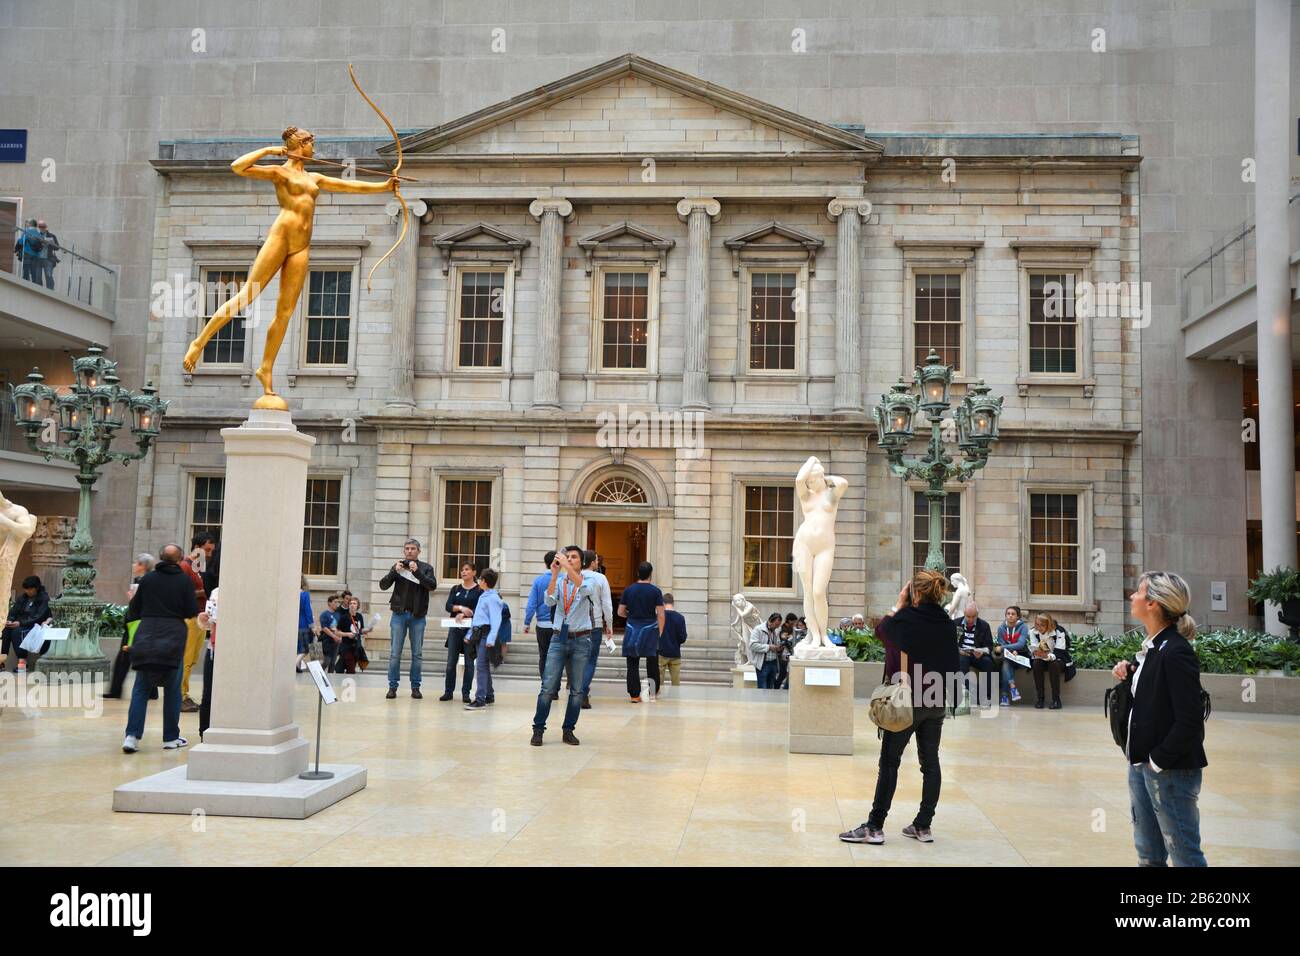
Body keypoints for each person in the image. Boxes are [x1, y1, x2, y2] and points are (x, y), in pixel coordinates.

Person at [840, 570, 958, 846]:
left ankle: (875, 827)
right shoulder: (946, 622)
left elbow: (881, 630)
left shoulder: (907, 618)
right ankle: (923, 826)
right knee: (931, 763)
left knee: (890, 763)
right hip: (935, 701)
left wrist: (899, 602)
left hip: (906, 703)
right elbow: (953, 665)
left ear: (915, 592)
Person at [1111, 572, 1208, 867]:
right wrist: (1128, 676)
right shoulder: (1153, 648)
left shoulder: (1176, 651)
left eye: (1138, 592)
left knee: (1185, 856)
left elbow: (1190, 719)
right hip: (1142, 764)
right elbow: (1150, 703)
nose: (1132, 596)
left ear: (1152, 603)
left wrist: (1158, 761)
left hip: (1169, 771)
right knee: (1149, 856)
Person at [122, 544, 198, 753]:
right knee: (173, 689)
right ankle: (170, 737)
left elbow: (134, 609)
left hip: (146, 635)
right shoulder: (184, 581)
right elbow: (191, 610)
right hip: (173, 636)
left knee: (141, 688)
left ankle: (132, 736)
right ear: (180, 558)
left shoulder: (148, 579)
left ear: (160, 558)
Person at [532, 545, 595, 746]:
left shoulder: (590, 580)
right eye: (567, 557)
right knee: (548, 687)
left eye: (574, 557)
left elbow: (584, 589)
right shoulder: (560, 582)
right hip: (558, 638)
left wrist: (567, 567)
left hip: (581, 639)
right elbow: (549, 601)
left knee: (577, 690)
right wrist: (553, 575)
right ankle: (538, 730)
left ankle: (568, 730)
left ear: (581, 562)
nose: (569, 559)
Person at [379, 538, 438, 700]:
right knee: (395, 653)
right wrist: (394, 572)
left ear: (419, 551)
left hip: (417, 616)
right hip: (399, 614)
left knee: (417, 653)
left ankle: (415, 687)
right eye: (407, 548)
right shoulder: (398, 567)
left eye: (413, 548)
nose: (410, 551)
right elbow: (383, 585)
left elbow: (432, 586)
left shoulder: (426, 568)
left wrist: (417, 572)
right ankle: (392, 687)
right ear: (404, 551)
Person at [107, 554, 156, 698]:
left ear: (143, 566)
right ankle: (150, 691)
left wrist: (133, 599)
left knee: (125, 658)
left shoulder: (145, 582)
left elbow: (142, 603)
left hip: (137, 624)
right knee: (131, 658)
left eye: (136, 563)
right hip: (134, 623)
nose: (134, 565)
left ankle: (116, 690)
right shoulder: (140, 581)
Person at [619, 561, 665, 702]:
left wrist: (631, 616)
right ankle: (652, 693)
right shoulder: (656, 591)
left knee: (632, 663)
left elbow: (620, 612)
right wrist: (660, 632)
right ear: (651, 574)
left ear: (638, 573)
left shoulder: (628, 590)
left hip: (632, 629)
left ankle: (634, 695)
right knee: (652, 663)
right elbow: (661, 614)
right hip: (650, 629)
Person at [179, 533, 213, 713]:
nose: (208, 554)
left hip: (199, 617)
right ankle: (180, 695)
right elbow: (178, 593)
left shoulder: (198, 567)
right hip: (191, 618)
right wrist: (198, 594)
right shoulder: (185, 566)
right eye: (207, 550)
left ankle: (184, 693)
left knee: (192, 659)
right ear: (197, 547)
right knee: (186, 658)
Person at [465, 568, 504, 710]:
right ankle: (489, 694)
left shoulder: (493, 599)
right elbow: (477, 618)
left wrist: (491, 638)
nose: (479, 581)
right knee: (483, 666)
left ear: (484, 581)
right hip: (479, 634)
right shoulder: (484, 596)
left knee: (481, 666)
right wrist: (470, 634)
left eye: (480, 578)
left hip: (486, 635)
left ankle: (480, 698)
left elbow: (496, 619)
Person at [578, 549, 613, 710]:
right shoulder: (600, 578)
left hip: (576, 625)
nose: (598, 563)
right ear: (592, 562)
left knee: (577, 661)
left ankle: (577, 691)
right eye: (597, 560)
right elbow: (607, 604)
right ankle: (582, 692)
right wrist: (609, 625)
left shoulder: (574, 576)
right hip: (595, 625)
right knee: (591, 660)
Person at [441, 562, 480, 702]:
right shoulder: (455, 588)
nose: (464, 572)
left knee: (469, 663)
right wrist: (460, 608)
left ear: (474, 572)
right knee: (451, 662)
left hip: (470, 631)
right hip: (455, 630)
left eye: (467, 570)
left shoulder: (479, 590)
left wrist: (466, 614)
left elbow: (479, 610)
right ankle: (448, 691)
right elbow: (448, 606)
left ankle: (466, 693)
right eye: (462, 570)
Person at [3, 575, 51, 673]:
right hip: (20, 623)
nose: (28, 591)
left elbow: (39, 616)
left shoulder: (44, 598)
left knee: (16, 632)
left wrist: (20, 623)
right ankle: (2, 661)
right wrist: (10, 620)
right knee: (6, 631)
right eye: (26, 589)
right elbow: (13, 611)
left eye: (30, 589)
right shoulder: (22, 597)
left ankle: (23, 663)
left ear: (36, 588)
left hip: (33, 625)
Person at [523, 550, 557, 687]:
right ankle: (555, 687)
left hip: (542, 625)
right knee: (557, 657)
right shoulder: (563, 579)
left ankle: (546, 685)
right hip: (558, 625)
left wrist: (527, 622)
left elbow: (532, 603)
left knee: (543, 655)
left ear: (545, 564)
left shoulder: (539, 580)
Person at [955, 602, 996, 710]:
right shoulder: (955, 623)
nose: (971, 619)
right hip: (961, 654)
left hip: (977, 654)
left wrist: (982, 651)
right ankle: (967, 696)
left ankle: (986, 697)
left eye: (973, 617)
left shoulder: (984, 625)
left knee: (988, 663)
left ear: (977, 615)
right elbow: (949, 643)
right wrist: (958, 650)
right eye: (968, 616)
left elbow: (989, 646)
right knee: (962, 661)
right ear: (964, 614)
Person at [1028, 612, 1072, 709]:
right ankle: (1040, 699)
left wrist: (1047, 656)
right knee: (1036, 664)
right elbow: (1034, 646)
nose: (1039, 628)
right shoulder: (1033, 632)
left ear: (1048, 624)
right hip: (1042, 657)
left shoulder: (1059, 631)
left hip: (1058, 658)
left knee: (1054, 665)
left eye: (1042, 625)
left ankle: (1056, 700)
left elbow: (1060, 651)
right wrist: (1037, 653)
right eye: (1037, 625)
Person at [995, 605, 1030, 706]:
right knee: (1006, 662)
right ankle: (1012, 688)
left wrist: (1012, 650)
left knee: (1006, 662)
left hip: (1021, 657)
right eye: (1008, 614)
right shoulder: (1001, 628)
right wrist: (1010, 650)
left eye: (1013, 614)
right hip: (1009, 656)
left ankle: (1005, 696)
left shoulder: (1023, 627)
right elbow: (1001, 643)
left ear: (1018, 616)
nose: (1010, 616)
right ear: (1005, 616)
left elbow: (1021, 644)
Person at [197, 586, 218, 741]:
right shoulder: (217, 592)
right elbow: (207, 624)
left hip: (235, 652)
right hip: (214, 650)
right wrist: (203, 619)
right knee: (208, 694)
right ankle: (204, 733)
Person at [657, 592, 687, 694]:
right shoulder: (680, 617)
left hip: (661, 652)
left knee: (659, 681)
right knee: (676, 682)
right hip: (675, 653)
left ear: (662, 603)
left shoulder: (659, 616)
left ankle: (658, 698)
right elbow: (683, 638)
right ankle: (674, 699)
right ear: (673, 603)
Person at [749, 613, 783, 689]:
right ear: (770, 621)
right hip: (763, 664)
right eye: (776, 624)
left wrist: (779, 648)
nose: (777, 627)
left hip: (773, 663)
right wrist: (769, 647)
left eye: (779, 625)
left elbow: (776, 644)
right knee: (762, 688)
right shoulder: (758, 629)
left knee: (770, 688)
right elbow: (752, 645)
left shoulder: (775, 631)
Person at [338, 596, 372, 674]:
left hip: (357, 647)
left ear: (357, 606)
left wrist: (368, 630)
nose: (352, 605)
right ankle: (350, 682)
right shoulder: (344, 617)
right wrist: (347, 634)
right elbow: (337, 632)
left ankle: (345, 682)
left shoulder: (359, 616)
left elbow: (360, 630)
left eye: (354, 603)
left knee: (351, 668)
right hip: (347, 647)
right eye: (350, 603)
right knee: (351, 670)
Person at [13, 218, 44, 285]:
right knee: (34, 273)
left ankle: (25, 286)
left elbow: (21, 242)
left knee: (26, 271)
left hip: (27, 254)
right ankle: (35, 287)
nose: (26, 224)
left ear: (30, 224)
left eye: (27, 223)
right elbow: (42, 245)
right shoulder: (39, 234)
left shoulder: (26, 231)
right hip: (36, 256)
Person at [317, 594, 343, 673]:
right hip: (327, 641)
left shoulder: (338, 615)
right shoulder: (324, 614)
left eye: (337, 602)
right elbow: (324, 628)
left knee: (332, 663)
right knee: (326, 661)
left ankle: (330, 679)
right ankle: (318, 674)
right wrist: (334, 636)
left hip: (336, 642)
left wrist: (339, 637)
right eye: (335, 602)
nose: (337, 604)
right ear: (329, 603)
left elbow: (339, 627)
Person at [295, 576, 313, 674]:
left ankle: (298, 666)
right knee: (305, 648)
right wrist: (312, 625)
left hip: (293, 623)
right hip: (303, 624)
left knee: (297, 647)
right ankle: (295, 664)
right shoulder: (305, 594)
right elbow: (308, 611)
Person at [36, 220, 59, 290]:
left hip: (48, 259)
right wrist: (40, 244)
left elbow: (57, 247)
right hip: (38, 258)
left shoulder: (52, 236)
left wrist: (51, 244)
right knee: (37, 277)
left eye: (43, 227)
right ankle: (39, 290)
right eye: (40, 227)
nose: (41, 228)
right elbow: (34, 247)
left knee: (48, 276)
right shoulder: (37, 235)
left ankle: (50, 291)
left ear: (46, 227)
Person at [777, 613, 797, 690]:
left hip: (787, 654)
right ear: (789, 620)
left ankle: (779, 687)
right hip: (784, 655)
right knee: (783, 673)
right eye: (794, 622)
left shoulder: (790, 628)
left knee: (785, 673)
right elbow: (784, 640)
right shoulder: (784, 629)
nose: (794, 624)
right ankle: (777, 687)